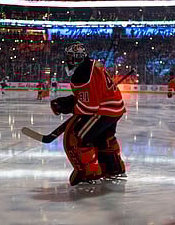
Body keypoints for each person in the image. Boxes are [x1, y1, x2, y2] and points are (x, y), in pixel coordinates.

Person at [50, 42, 126, 186]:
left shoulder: (81, 75)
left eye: (69, 58)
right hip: (115, 107)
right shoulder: (91, 64)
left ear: (74, 59)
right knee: (104, 138)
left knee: (79, 137)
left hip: (104, 110)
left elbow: (89, 107)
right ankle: (114, 168)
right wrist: (70, 102)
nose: (67, 61)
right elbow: (92, 94)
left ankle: (89, 172)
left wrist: (67, 106)